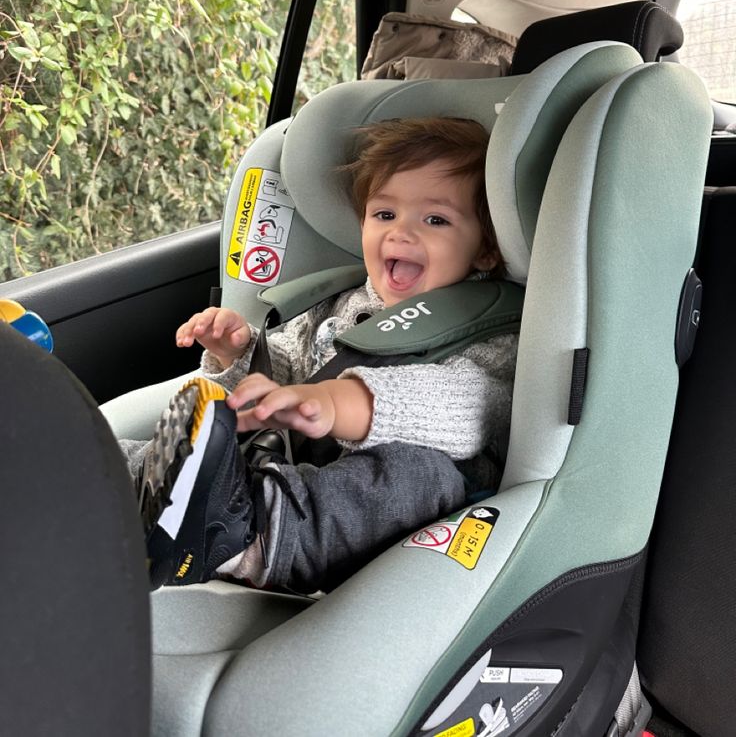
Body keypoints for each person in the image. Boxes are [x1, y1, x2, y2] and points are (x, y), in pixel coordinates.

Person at [130, 116, 519, 593]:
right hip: (281, 471)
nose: (399, 233)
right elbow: (288, 366)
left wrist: (337, 403)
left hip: (380, 510)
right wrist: (241, 354)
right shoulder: (345, 303)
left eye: (435, 219)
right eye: (384, 214)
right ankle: (132, 498)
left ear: (484, 249)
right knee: (139, 450)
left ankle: (244, 542)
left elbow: (469, 406)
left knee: (421, 477)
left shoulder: (494, 331)